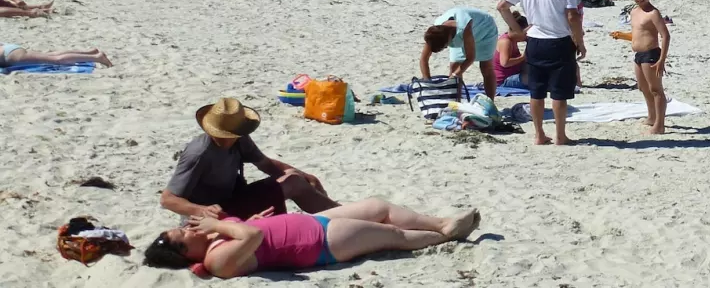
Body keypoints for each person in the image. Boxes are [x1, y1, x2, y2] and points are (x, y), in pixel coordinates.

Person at [142, 199, 480, 278]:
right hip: (319, 245)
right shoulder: (217, 262)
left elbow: (248, 229)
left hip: (310, 223)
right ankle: (443, 236)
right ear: (186, 251)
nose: (190, 228)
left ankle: (441, 223)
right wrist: (223, 224)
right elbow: (253, 235)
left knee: (378, 206)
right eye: (184, 233)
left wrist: (232, 223)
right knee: (391, 235)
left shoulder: (215, 240)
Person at [159, 98, 337, 221]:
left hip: (234, 199)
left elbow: (266, 164)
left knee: (294, 178)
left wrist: (307, 177)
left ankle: (340, 213)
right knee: (294, 182)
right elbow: (168, 199)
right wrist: (202, 210)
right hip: (213, 216)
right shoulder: (199, 153)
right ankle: (343, 215)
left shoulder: (239, 138)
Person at [495, 0, 585, 145]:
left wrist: (516, 30)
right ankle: (560, 135)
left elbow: (502, 6)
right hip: (559, 42)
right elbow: (572, 16)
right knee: (559, 93)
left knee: (536, 92)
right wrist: (579, 41)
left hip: (535, 42)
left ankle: (539, 135)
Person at [421, 7, 501, 110]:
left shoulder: (464, 28)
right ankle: (455, 104)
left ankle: (490, 105)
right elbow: (424, 59)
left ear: (449, 40)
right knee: (454, 66)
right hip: (458, 34)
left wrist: (454, 76)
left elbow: (470, 58)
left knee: (486, 67)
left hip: (484, 29)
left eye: (445, 47)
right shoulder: (434, 32)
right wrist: (427, 81)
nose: (446, 48)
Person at [627, 0, 671, 134]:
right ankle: (652, 116)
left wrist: (662, 59)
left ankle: (659, 125)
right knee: (643, 87)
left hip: (651, 54)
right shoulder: (633, 11)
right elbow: (638, 33)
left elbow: (665, 36)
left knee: (656, 90)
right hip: (638, 55)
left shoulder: (653, 13)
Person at [493, 11, 526, 89]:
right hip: (503, 80)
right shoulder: (506, 42)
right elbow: (505, 63)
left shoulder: (513, 40)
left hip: (513, 74)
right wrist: (523, 57)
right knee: (535, 79)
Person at [0, 44, 109, 66]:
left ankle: (96, 58)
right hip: (10, 48)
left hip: (9, 55)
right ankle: (89, 52)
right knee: (50, 54)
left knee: (55, 59)